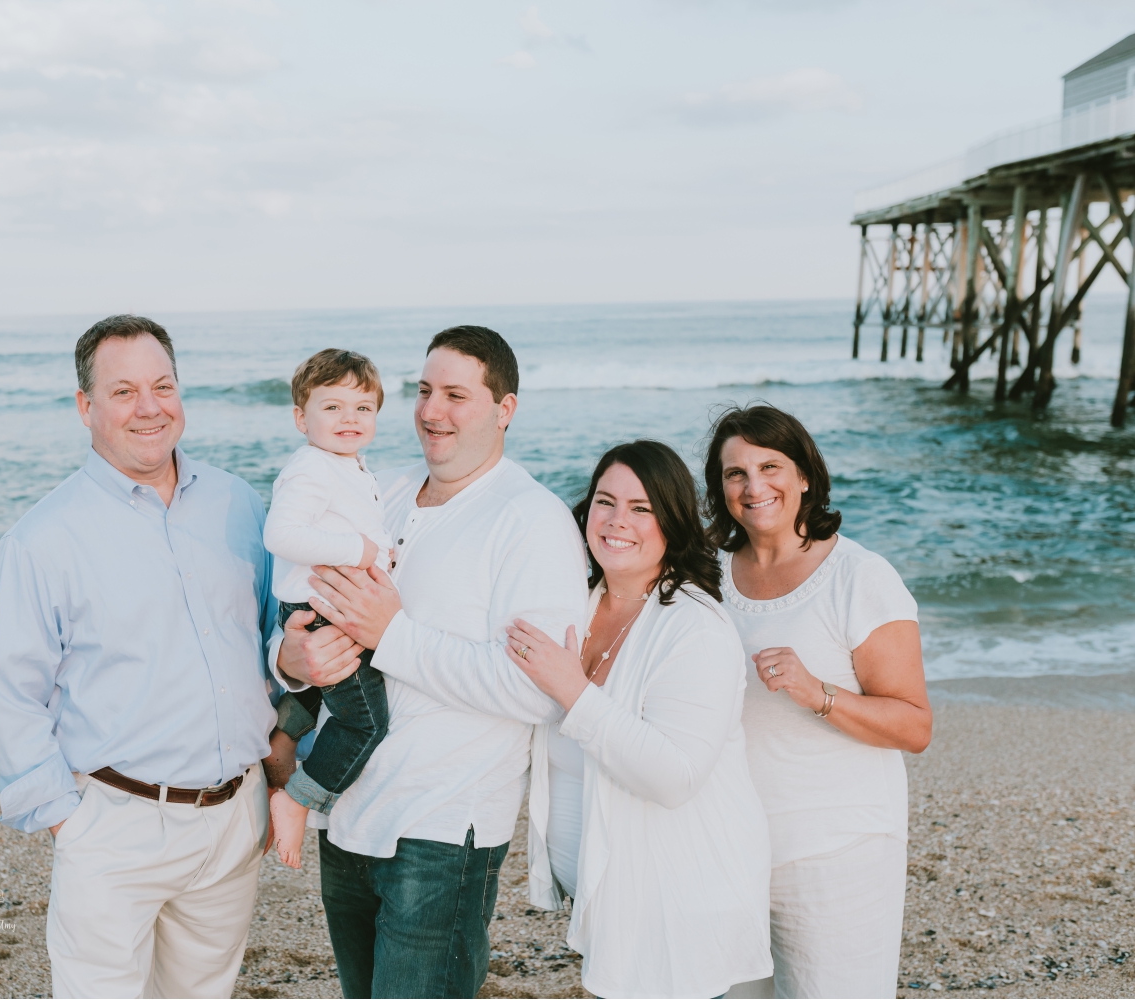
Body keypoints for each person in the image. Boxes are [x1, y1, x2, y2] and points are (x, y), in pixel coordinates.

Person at [275, 326, 587, 998]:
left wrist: (393, 635)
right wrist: (290, 659)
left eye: (455, 394)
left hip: (442, 835)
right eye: (422, 391)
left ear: (504, 408)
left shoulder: (531, 520)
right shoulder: (375, 490)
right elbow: (306, 605)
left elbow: (536, 692)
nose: (430, 411)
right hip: (347, 819)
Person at [0, 315, 278, 999]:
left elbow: (270, 642)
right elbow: (10, 692)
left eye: (162, 386)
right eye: (123, 392)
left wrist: (279, 761)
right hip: (114, 827)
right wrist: (69, 822)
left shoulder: (240, 504)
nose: (150, 408)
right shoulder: (42, 540)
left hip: (234, 819)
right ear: (86, 408)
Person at [507, 440, 773, 999]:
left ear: (673, 523)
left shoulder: (695, 629)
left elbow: (673, 776)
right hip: (610, 899)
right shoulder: (573, 605)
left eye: (641, 508)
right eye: (605, 501)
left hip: (683, 902)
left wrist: (574, 692)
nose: (616, 521)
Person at [704, 404, 932, 1000]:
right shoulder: (707, 576)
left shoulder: (859, 577)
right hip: (731, 845)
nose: (755, 486)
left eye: (770, 466)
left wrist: (817, 692)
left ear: (805, 475)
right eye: (735, 473)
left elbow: (914, 725)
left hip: (837, 850)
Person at [262, 349, 393, 869]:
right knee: (365, 723)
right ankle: (297, 798)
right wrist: (358, 551)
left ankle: (284, 735)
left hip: (322, 605)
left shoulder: (345, 465)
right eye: (332, 407)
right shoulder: (312, 468)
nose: (349, 419)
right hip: (320, 610)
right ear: (301, 418)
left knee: (322, 687)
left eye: (363, 408)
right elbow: (281, 533)